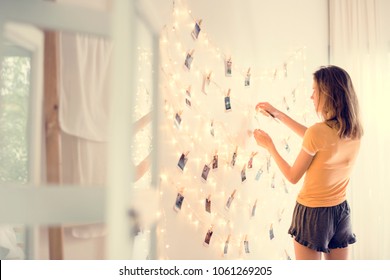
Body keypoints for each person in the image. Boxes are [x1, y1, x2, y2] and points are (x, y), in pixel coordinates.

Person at [253, 65, 363, 260]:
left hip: (313, 214)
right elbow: (318, 141)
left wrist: (270, 145)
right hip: (340, 211)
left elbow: (293, 176)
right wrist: (278, 113)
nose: (311, 97)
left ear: (327, 94)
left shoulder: (319, 133)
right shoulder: (353, 130)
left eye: (314, 91)